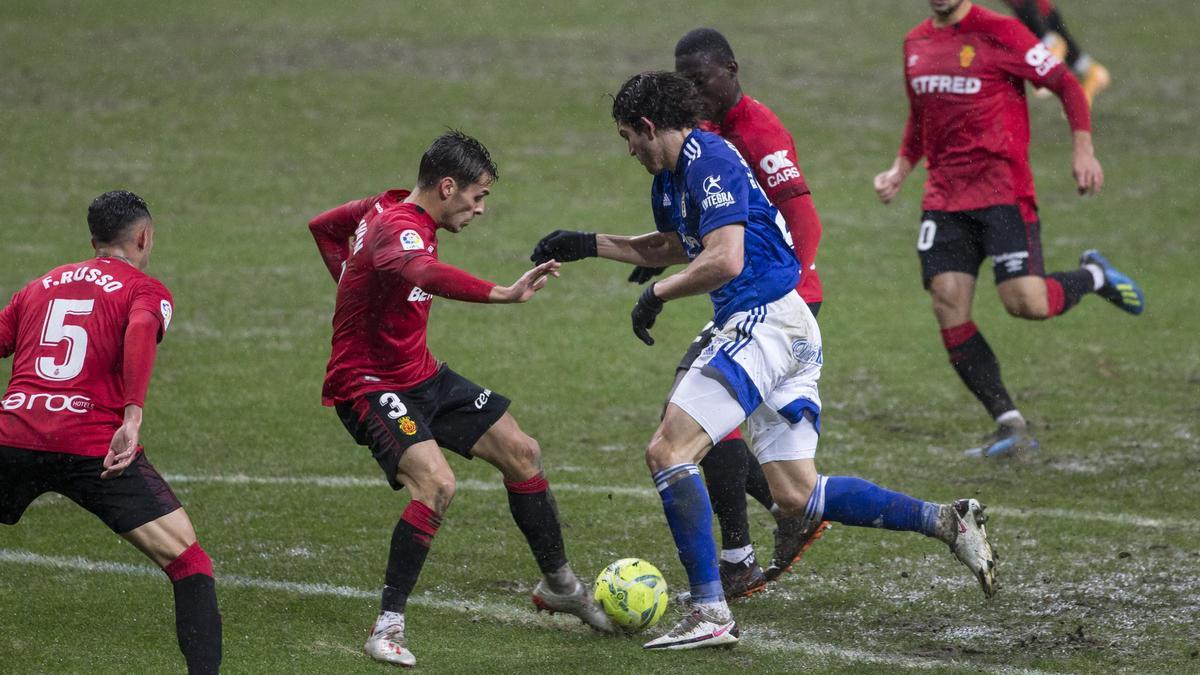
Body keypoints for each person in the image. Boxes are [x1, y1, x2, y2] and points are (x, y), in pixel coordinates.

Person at [531, 71, 996, 651]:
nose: (629, 149)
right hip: (788, 324)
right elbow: (674, 245)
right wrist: (586, 243)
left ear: (649, 126)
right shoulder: (674, 176)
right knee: (796, 494)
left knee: (669, 451)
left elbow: (724, 259)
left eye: (629, 136)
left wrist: (657, 295)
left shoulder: (711, 159)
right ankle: (945, 521)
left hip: (762, 321)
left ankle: (709, 610)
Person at [308, 130, 612, 668]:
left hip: (420, 375)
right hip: (369, 385)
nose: (481, 209)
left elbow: (323, 227)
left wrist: (353, 285)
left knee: (522, 452)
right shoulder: (398, 227)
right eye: (479, 195)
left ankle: (560, 584)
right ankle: (387, 626)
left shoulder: (380, 205)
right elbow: (423, 271)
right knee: (436, 484)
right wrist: (503, 291)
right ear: (448, 187)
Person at [873, 0, 1145, 458]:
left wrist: (1083, 150)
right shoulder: (915, 42)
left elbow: (1066, 84)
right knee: (947, 303)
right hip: (944, 198)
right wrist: (901, 168)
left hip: (1003, 193)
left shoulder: (1002, 32)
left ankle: (1094, 276)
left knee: (1026, 303)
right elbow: (921, 116)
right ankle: (1009, 423)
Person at [623, 28, 831, 600]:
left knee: (687, 422)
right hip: (742, 293)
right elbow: (706, 223)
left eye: (702, 79)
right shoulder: (700, 135)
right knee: (709, 425)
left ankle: (738, 561)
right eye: (683, 80)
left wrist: (798, 288)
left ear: (731, 70)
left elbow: (802, 219)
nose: (693, 90)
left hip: (772, 300)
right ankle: (760, 540)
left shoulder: (757, 132)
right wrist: (676, 251)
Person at [0, 191, 222, 674]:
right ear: (143, 237)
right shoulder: (144, 289)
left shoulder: (37, 287)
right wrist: (132, 414)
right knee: (189, 563)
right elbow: (140, 329)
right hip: (92, 449)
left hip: (12, 438)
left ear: (92, 239)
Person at [1001, 0, 1110, 105]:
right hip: (1042, 12)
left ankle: (1053, 60)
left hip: (1037, 13)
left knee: (1047, 38)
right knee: (1075, 59)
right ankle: (1091, 72)